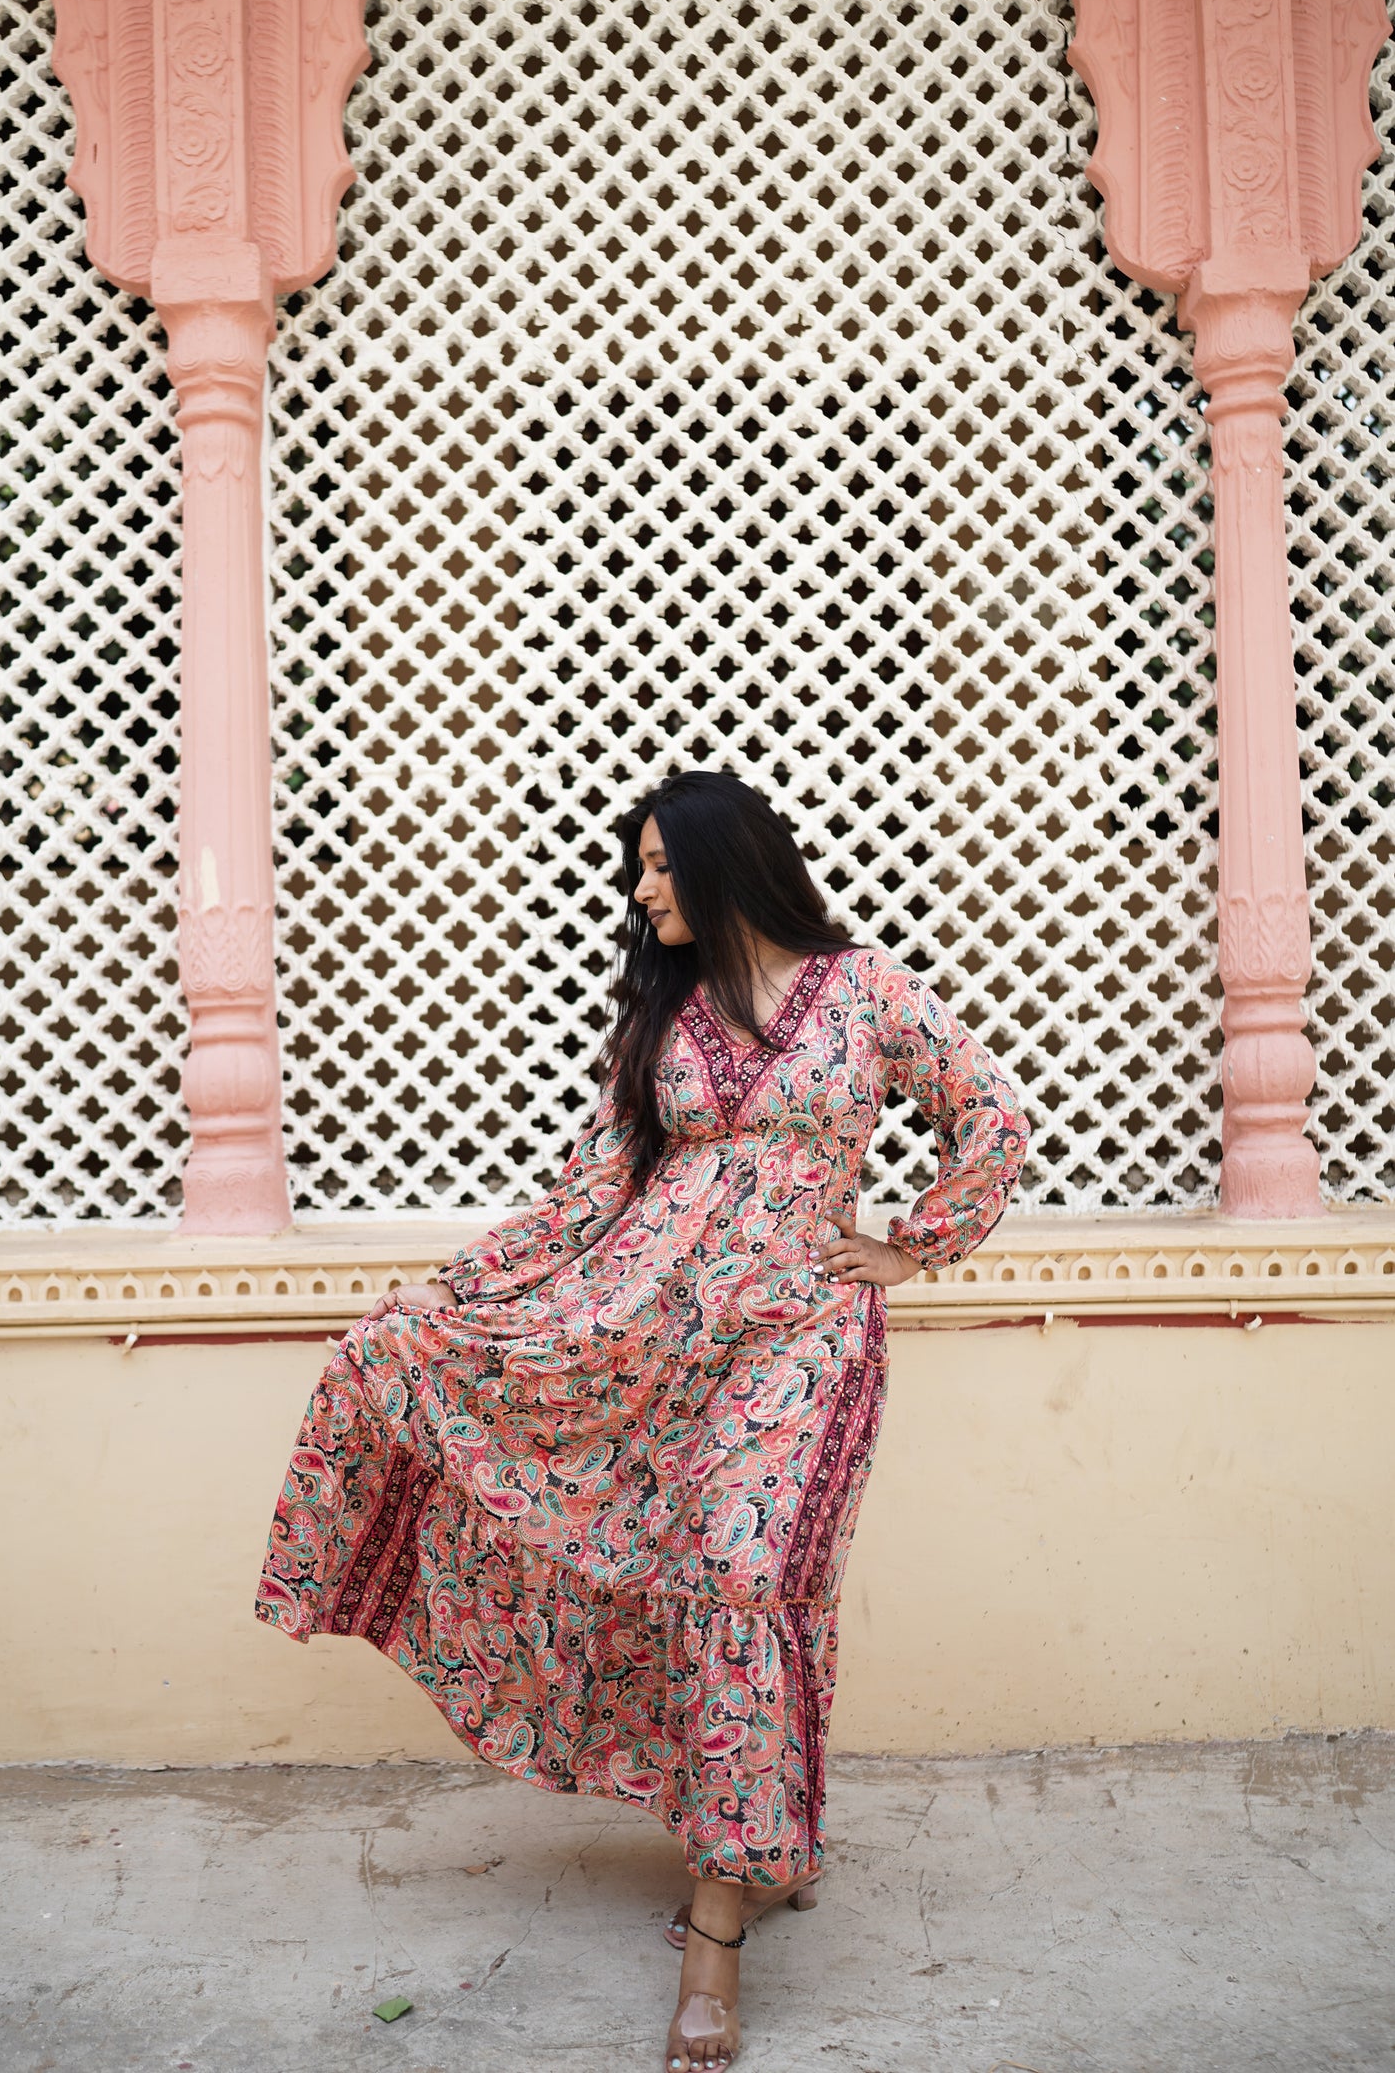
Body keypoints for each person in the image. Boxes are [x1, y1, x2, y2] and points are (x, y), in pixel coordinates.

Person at [256, 768, 1029, 2070]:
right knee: (678, 1587)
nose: (642, 887)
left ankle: (716, 1941)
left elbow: (990, 1120)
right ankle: (760, 1841)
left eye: (664, 865)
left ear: (732, 861)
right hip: (643, 1339)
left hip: (800, 1346)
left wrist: (911, 1245)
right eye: (641, 866)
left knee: (741, 1584)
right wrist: (454, 1301)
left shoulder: (866, 991)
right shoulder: (661, 1020)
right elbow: (587, 1193)